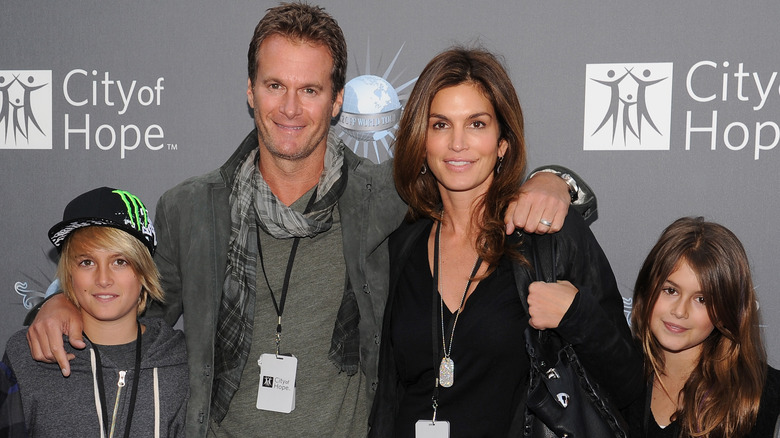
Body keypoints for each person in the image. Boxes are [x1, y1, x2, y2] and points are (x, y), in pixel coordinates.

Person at [25, 4, 596, 437]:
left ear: (338, 100)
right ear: (250, 92)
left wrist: (555, 180)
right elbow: (126, 304)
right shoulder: (192, 209)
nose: (291, 109)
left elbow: (479, 191)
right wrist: (58, 300)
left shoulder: (388, 200)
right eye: (275, 86)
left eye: (310, 89)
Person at [368, 47, 643, 437]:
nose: (458, 143)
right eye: (441, 125)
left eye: (477, 124)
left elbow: (630, 385)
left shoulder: (548, 238)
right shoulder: (399, 246)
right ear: (421, 141)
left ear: (502, 143)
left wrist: (577, 316)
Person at [4, 187, 188, 437]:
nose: (103, 279)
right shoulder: (26, 355)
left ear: (145, 271)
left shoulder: (182, 362)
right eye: (87, 262)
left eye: (120, 261)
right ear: (70, 272)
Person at [625, 217, 780, 437]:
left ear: (725, 310)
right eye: (671, 290)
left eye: (702, 300)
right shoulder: (616, 370)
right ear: (647, 288)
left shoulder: (762, 393)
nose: (680, 311)